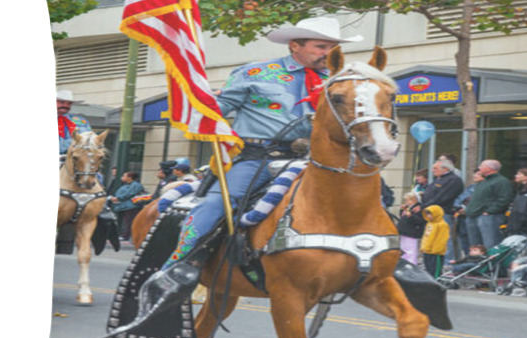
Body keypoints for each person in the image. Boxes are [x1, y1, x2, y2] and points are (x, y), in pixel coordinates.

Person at [137, 16, 363, 321]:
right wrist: (205, 104)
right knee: (220, 202)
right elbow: (218, 112)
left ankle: (376, 260)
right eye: (320, 46)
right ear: (295, 45)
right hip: (258, 158)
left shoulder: (340, 81)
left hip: (313, 161)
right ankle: (179, 267)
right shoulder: (256, 73)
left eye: (332, 47)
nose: (327, 53)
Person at [464, 159, 514, 251]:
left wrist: (490, 211)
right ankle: (478, 263)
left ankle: (492, 264)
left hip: (489, 217)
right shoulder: (484, 182)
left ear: (489, 169)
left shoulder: (502, 182)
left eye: (481, 166)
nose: (479, 168)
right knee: (475, 247)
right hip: (473, 216)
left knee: (490, 244)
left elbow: (504, 199)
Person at [421, 157, 464, 260]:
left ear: (445, 169)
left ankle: (447, 261)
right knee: (432, 236)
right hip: (432, 213)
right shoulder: (439, 179)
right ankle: (434, 259)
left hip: (444, 213)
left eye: (435, 168)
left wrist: (425, 206)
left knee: (444, 238)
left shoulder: (453, 180)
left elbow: (443, 197)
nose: (432, 171)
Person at [109, 171, 146, 241]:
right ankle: (124, 235)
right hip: (124, 206)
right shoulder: (126, 185)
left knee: (129, 222)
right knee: (126, 221)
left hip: (131, 207)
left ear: (130, 178)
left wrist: (118, 198)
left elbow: (129, 194)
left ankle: (126, 236)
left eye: (124, 176)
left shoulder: (136, 185)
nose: (122, 177)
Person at [57, 88, 92, 155]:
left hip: (73, 160)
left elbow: (89, 141)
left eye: (69, 103)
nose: (65, 106)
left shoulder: (81, 122)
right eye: (61, 102)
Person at [420, 204, 450, 278]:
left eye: (430, 214)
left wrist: (436, 250)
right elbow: (426, 237)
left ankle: (436, 282)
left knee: (435, 270)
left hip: (436, 252)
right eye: (427, 214)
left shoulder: (442, 225)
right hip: (427, 251)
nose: (428, 216)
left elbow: (442, 239)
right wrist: (423, 247)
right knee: (428, 268)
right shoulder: (429, 224)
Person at [397, 191, 426, 266]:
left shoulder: (418, 208)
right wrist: (402, 210)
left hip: (412, 232)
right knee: (403, 249)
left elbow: (419, 220)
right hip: (404, 231)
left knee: (411, 250)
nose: (406, 202)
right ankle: (404, 262)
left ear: (413, 200)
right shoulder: (409, 208)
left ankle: (411, 264)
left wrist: (411, 216)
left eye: (407, 200)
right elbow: (403, 217)